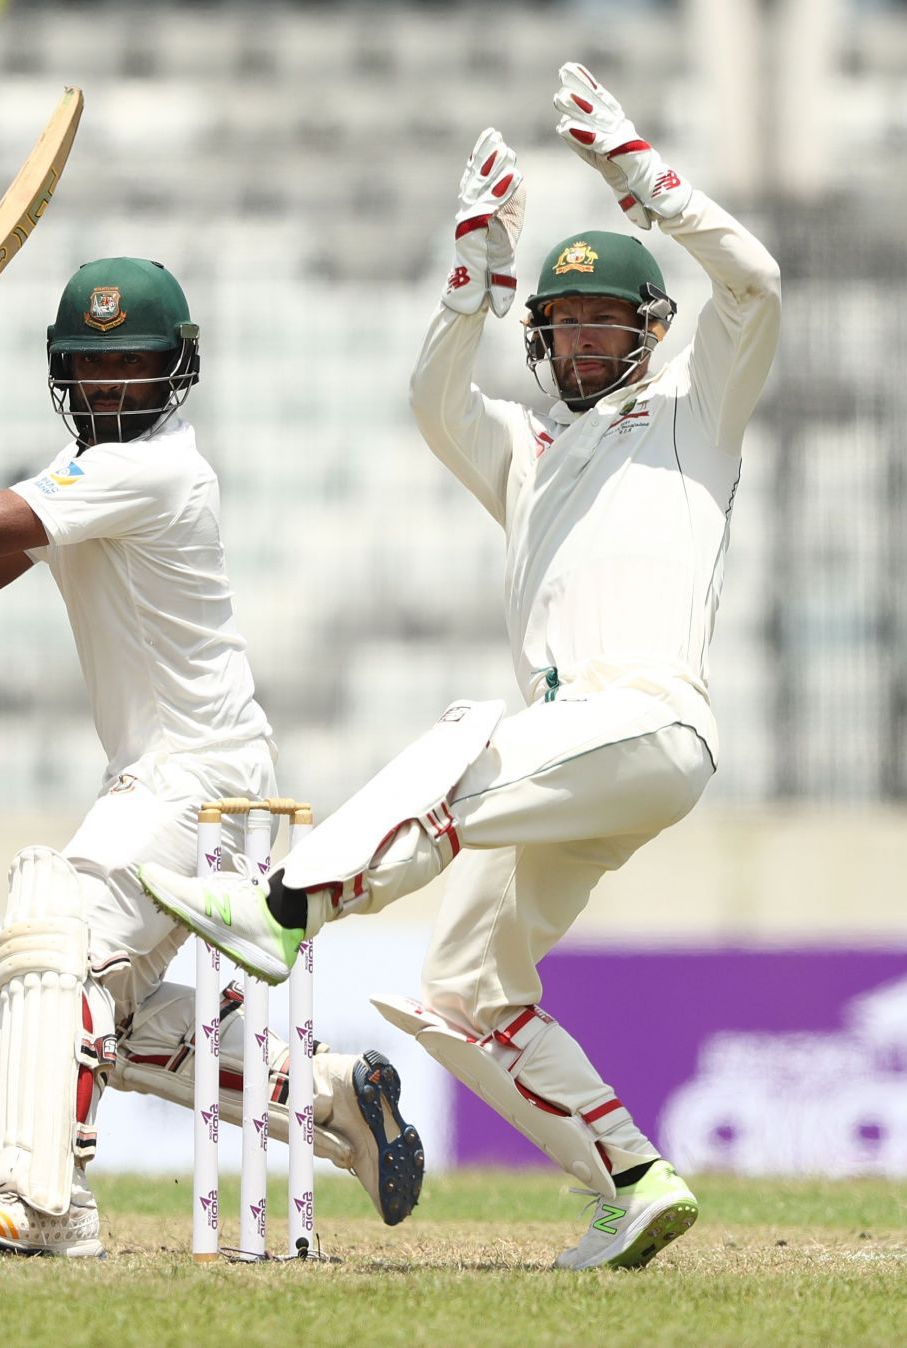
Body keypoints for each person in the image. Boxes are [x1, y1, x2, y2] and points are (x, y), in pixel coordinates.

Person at [137, 65, 781, 1270]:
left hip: (645, 723)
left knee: (462, 734)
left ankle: (285, 907)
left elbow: (757, 281)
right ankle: (634, 1180)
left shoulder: (699, 410)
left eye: (607, 327)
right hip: (572, 762)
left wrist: (642, 179)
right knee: (460, 991)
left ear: (650, 335)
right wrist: (475, 278)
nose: (585, 346)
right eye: (567, 327)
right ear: (543, 337)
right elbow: (437, 400)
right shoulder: (530, 453)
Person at [0, 257, 425, 1258]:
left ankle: (41, 1201)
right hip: (192, 774)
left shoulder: (156, 467)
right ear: (62, 373)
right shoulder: (93, 475)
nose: (111, 390)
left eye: (134, 369)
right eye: (91, 369)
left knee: (56, 926)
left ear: (178, 372)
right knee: (93, 1020)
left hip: (198, 774)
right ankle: (334, 1098)